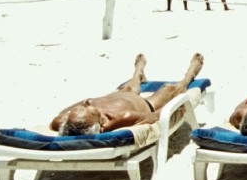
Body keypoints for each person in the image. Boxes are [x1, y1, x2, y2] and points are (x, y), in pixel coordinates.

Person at [51, 53, 204, 135]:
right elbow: (154, 117)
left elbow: (59, 117)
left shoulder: (64, 121)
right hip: (146, 104)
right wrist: (176, 107)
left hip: (119, 94)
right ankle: (190, 75)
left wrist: (71, 115)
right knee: (170, 89)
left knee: (128, 88)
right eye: (89, 109)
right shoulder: (120, 118)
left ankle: (138, 72)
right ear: (102, 124)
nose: (86, 103)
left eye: (83, 106)